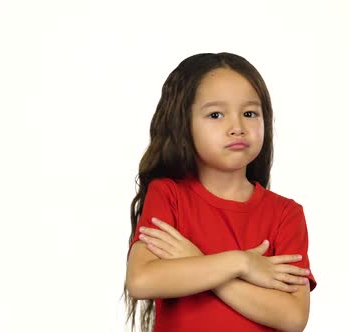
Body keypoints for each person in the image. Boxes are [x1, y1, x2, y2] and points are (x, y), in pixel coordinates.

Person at [122, 52, 317, 332]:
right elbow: (141, 280)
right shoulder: (168, 195)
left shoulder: (286, 214)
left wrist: (198, 262)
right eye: (216, 114)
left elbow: (292, 317)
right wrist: (241, 263)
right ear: (183, 123)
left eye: (250, 113)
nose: (237, 127)